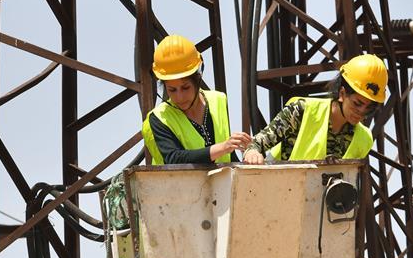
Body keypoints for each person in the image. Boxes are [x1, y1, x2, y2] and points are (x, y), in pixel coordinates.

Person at [242, 54, 388, 164]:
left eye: (369, 108)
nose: (361, 112)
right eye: (357, 103)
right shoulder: (302, 111)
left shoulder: (364, 139)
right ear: (342, 93)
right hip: (279, 193)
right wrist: (252, 153)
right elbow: (255, 144)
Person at [142, 34, 251, 165]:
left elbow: (227, 156)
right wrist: (223, 147)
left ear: (198, 78)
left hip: (222, 183)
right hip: (178, 185)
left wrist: (247, 155)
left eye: (185, 87)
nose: (179, 97)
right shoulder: (159, 118)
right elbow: (174, 158)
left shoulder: (218, 101)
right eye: (172, 90)